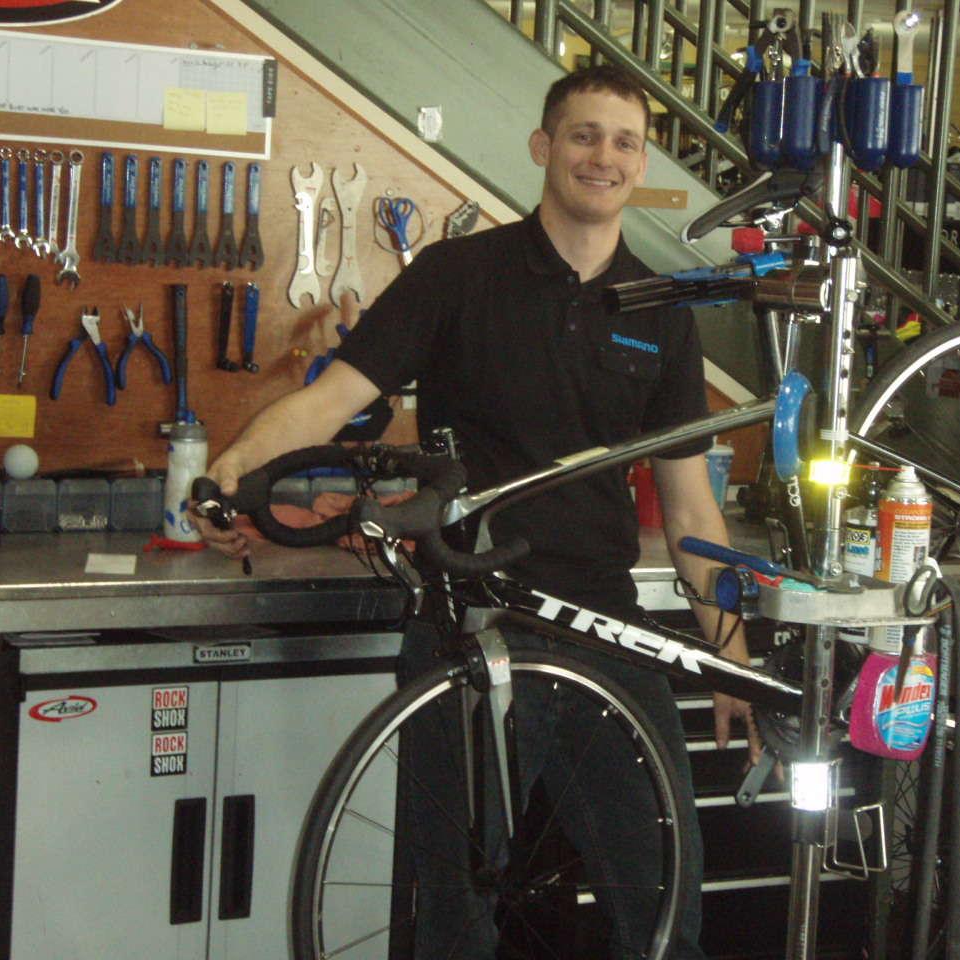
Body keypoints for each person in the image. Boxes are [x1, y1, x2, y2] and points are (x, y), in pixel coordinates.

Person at [195, 64, 757, 958]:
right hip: (471, 629)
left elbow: (692, 505)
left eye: (623, 141)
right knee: (456, 925)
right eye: (582, 135)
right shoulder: (458, 274)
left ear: (640, 161)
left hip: (606, 630)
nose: (602, 157)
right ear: (542, 147)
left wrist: (731, 663)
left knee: (665, 915)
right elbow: (329, 400)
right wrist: (230, 469)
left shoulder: (661, 309)